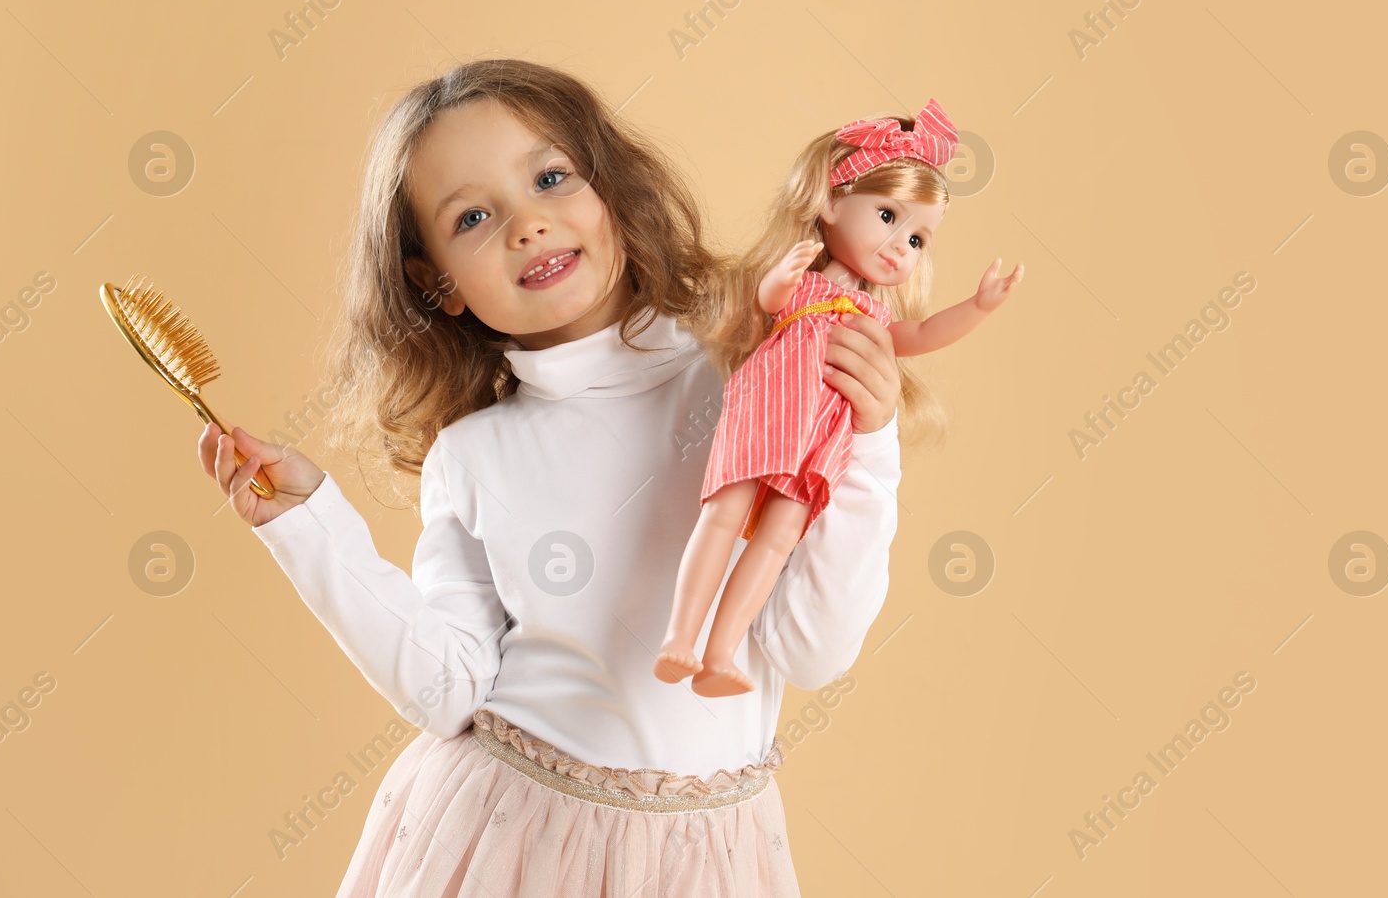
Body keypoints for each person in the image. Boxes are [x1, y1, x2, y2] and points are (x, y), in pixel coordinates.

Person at [197, 58, 902, 896]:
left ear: (612, 191)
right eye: (472, 217)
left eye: (551, 177)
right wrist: (309, 522)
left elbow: (812, 648)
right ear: (438, 286)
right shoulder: (475, 458)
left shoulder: (748, 380)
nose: (526, 224)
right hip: (512, 844)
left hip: (708, 863)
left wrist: (871, 444)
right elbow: (446, 686)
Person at [655, 99, 1024, 696]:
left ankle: (721, 655)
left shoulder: (874, 315)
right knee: (724, 512)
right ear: (829, 201)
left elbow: (922, 335)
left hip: (821, 438)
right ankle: (680, 637)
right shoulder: (806, 286)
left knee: (777, 539)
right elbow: (771, 301)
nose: (901, 246)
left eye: (918, 238)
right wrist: (784, 274)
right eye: (887, 216)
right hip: (768, 412)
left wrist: (978, 307)